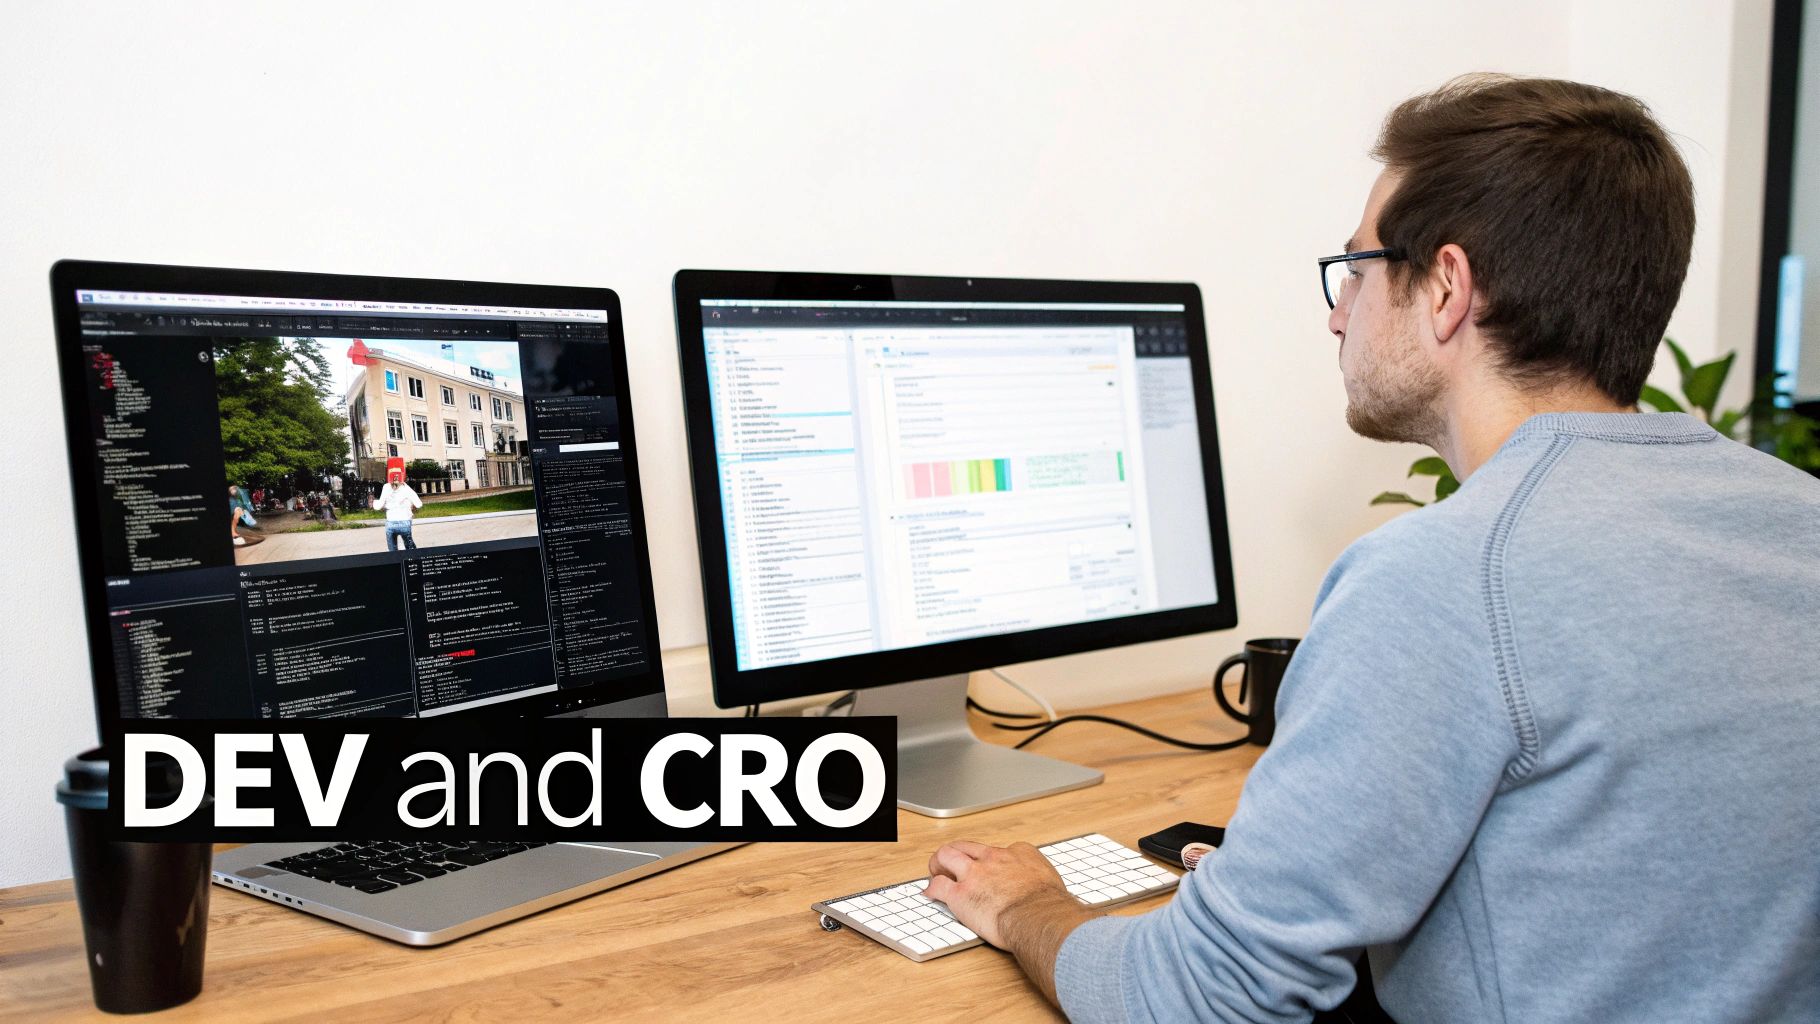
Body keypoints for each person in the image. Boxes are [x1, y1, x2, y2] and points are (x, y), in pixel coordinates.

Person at [924, 75, 1820, 1023]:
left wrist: (1030, 905)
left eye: (1354, 270)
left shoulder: (1446, 577)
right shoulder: (1797, 513)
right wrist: (1285, 879)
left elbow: (1196, 1000)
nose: (1338, 312)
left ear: (1444, 288)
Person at [374, 469, 422, 552]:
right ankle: (413, 562)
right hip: (405, 522)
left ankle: (395, 563)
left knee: (393, 551)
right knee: (410, 550)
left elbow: (378, 506)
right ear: (403, 477)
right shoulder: (406, 488)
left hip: (391, 523)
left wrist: (375, 503)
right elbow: (419, 504)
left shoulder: (386, 487)